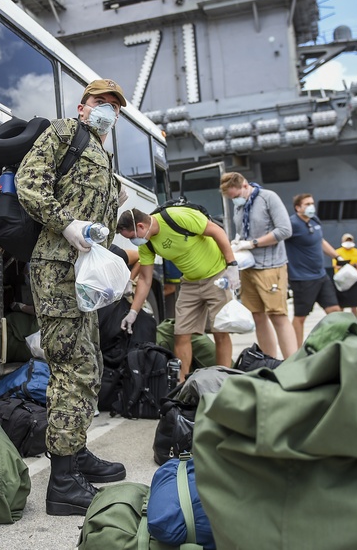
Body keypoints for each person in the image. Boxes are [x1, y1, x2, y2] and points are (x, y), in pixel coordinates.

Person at [15, 78, 127, 517]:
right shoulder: (66, 132)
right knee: (71, 366)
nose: (108, 111)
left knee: (90, 361)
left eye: (114, 107)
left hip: (81, 273)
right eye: (101, 103)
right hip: (57, 266)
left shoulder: (102, 152)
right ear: (83, 107)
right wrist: (66, 223)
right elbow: (30, 183)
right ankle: (62, 482)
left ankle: (76, 452)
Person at [115, 205, 240, 378]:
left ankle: (224, 378)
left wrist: (232, 264)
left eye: (132, 237)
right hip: (189, 283)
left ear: (141, 226)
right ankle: (181, 384)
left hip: (216, 276)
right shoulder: (147, 243)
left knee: (220, 331)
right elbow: (145, 279)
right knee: (181, 334)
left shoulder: (177, 217)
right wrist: (133, 312)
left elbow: (216, 231)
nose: (133, 242)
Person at [219, 172, 298, 358]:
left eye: (236, 196)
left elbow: (285, 230)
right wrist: (238, 244)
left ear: (245, 185)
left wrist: (253, 243)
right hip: (248, 267)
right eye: (231, 198)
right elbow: (242, 231)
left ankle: (293, 362)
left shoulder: (268, 198)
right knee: (257, 316)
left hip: (270, 266)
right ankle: (270, 362)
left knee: (277, 315)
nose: (234, 200)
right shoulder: (240, 206)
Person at [284, 194, 340, 345]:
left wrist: (337, 256)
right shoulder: (292, 224)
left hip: (321, 275)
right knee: (300, 317)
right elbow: (278, 241)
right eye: (307, 204)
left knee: (335, 311)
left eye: (312, 203)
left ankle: (336, 344)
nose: (311, 207)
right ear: (298, 208)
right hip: (302, 278)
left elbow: (320, 240)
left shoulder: (314, 220)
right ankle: (295, 350)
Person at [332, 232, 357, 317]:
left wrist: (351, 266)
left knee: (354, 305)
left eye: (350, 240)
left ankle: (355, 321)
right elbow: (335, 266)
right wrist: (352, 265)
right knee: (341, 305)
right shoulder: (337, 252)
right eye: (346, 240)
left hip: (354, 281)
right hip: (342, 282)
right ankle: (340, 322)